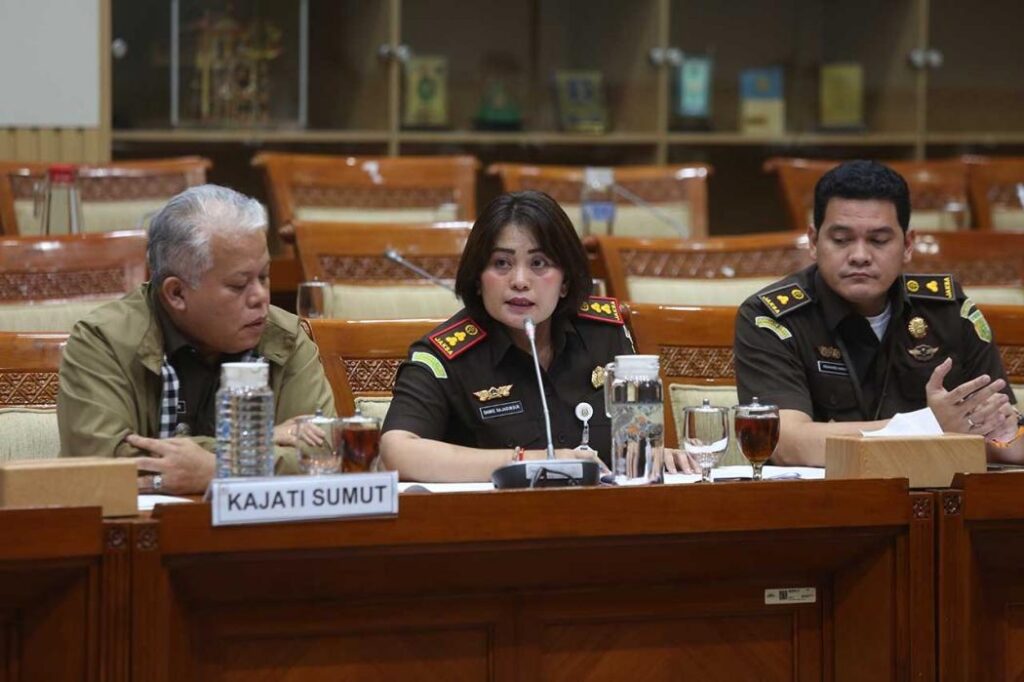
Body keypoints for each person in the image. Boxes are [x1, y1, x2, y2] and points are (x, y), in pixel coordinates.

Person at [381, 190, 697, 482]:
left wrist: (655, 456)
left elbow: (637, 440)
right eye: (501, 263)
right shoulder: (445, 356)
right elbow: (397, 452)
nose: (520, 281)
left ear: (565, 281)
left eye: (539, 263)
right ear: (478, 278)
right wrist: (530, 462)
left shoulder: (604, 334)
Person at [734, 160, 1023, 466]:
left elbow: (1006, 434)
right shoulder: (772, 318)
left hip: (933, 491)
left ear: (908, 245)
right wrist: (929, 428)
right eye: (841, 240)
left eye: (878, 240)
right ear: (814, 242)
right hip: (822, 494)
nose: (860, 256)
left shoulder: (948, 312)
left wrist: (1006, 437)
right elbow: (785, 442)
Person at [57, 184, 335, 493]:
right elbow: (102, 463)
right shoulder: (103, 342)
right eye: (239, 284)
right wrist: (257, 441)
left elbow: (325, 453)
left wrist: (219, 469)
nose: (260, 297)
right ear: (177, 293)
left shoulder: (284, 338)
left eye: (264, 277)